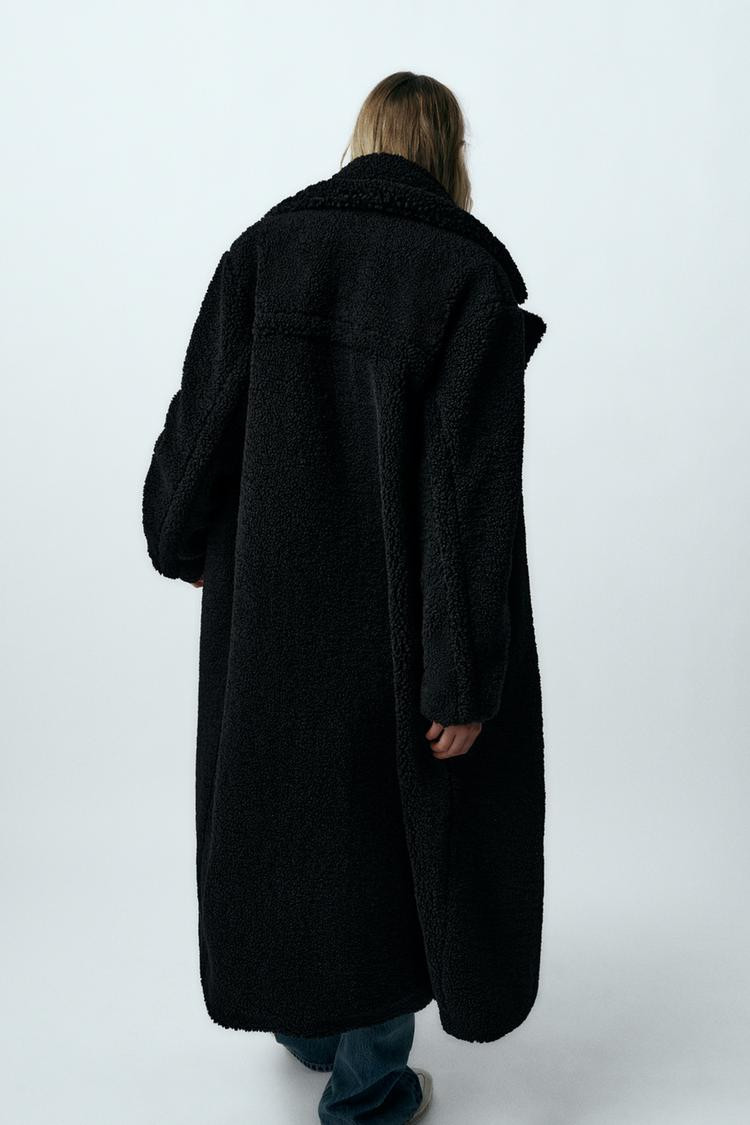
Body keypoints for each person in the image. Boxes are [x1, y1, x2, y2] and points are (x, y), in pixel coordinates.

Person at [142, 70, 547, 1125]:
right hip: (395, 622)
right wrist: (462, 673)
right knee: (384, 839)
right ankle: (368, 1093)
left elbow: (200, 414)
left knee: (287, 819)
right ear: (449, 155)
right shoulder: (464, 279)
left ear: (362, 138)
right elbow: (467, 498)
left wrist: (181, 537)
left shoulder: (267, 251)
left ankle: (309, 1025)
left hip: (270, 608)